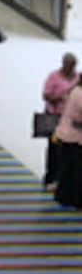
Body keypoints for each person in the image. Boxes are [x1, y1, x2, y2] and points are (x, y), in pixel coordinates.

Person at [42, 54, 79, 189]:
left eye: (73, 65)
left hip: (70, 119)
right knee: (54, 148)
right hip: (55, 117)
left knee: (67, 150)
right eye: (68, 65)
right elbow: (45, 95)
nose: (71, 68)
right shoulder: (53, 76)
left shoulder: (78, 77)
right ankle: (50, 178)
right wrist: (60, 97)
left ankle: (63, 180)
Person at [53, 84, 82, 209]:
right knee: (77, 172)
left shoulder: (75, 90)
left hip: (66, 135)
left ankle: (64, 197)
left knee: (67, 170)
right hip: (74, 137)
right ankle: (77, 200)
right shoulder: (80, 94)